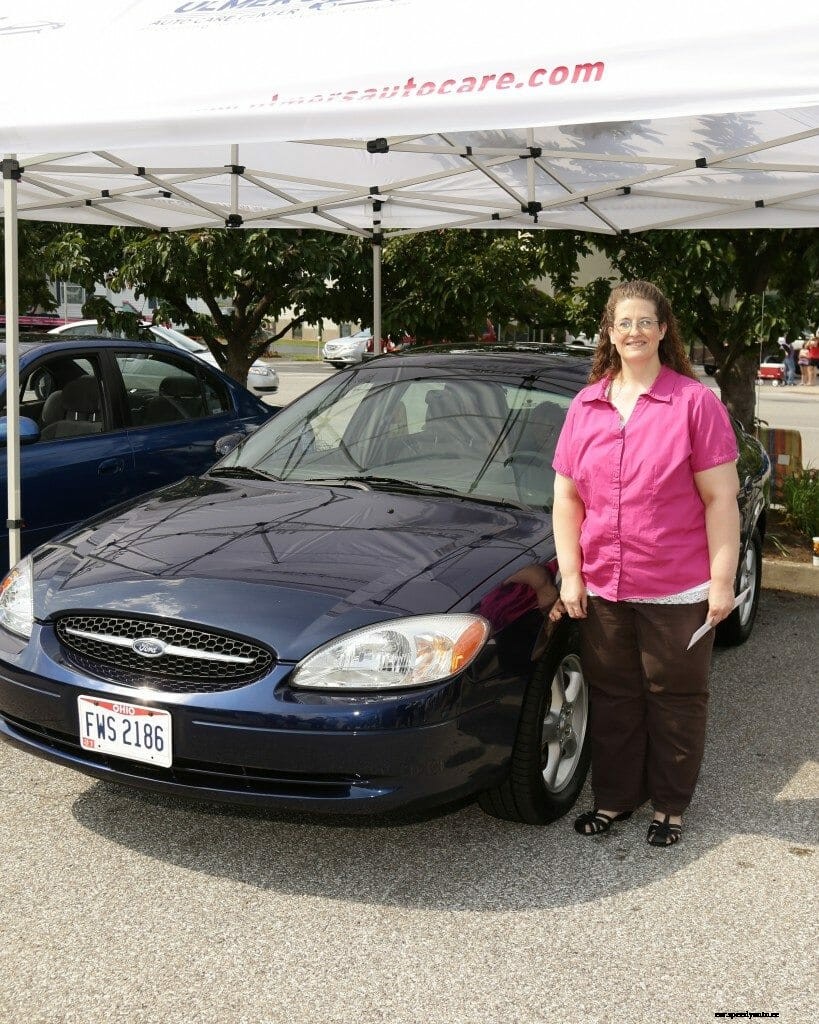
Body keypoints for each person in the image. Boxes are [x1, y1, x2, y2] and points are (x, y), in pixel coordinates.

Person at [548, 280, 740, 848]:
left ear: (662, 330)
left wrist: (722, 582)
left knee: (675, 699)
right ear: (609, 331)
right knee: (613, 698)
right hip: (604, 584)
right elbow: (566, 498)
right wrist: (572, 573)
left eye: (644, 322)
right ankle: (613, 800)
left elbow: (720, 500)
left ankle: (671, 806)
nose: (633, 332)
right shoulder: (586, 406)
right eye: (622, 322)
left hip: (677, 587)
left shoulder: (693, 402)